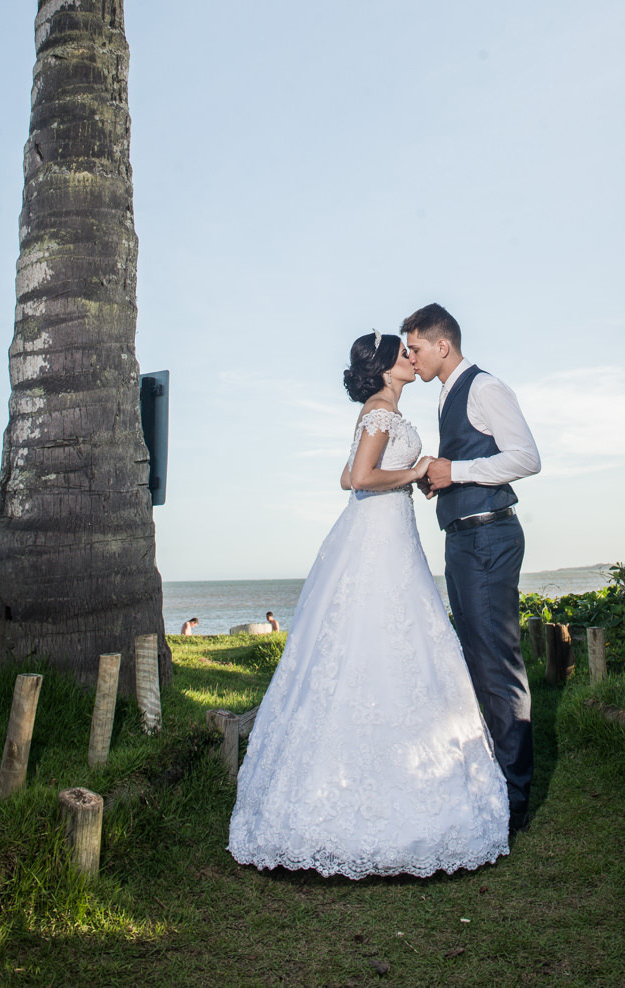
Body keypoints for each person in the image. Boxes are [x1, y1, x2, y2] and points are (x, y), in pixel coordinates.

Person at [228, 330, 510, 878]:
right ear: (384, 369)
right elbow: (358, 478)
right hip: (379, 537)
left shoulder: (379, 413)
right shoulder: (381, 411)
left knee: (398, 640)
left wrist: (406, 477)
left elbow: (346, 474)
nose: (412, 358)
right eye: (403, 354)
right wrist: (416, 472)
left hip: (387, 530)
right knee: (375, 639)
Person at [402, 303, 540, 836]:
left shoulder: (484, 387)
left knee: (497, 666)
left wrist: (454, 470)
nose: (411, 358)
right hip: (464, 539)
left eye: (415, 348)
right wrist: (441, 477)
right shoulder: (445, 394)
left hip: (488, 539)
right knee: (477, 660)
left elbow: (526, 457)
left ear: (443, 346)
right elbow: (468, 461)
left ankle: (515, 799)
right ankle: (496, 782)